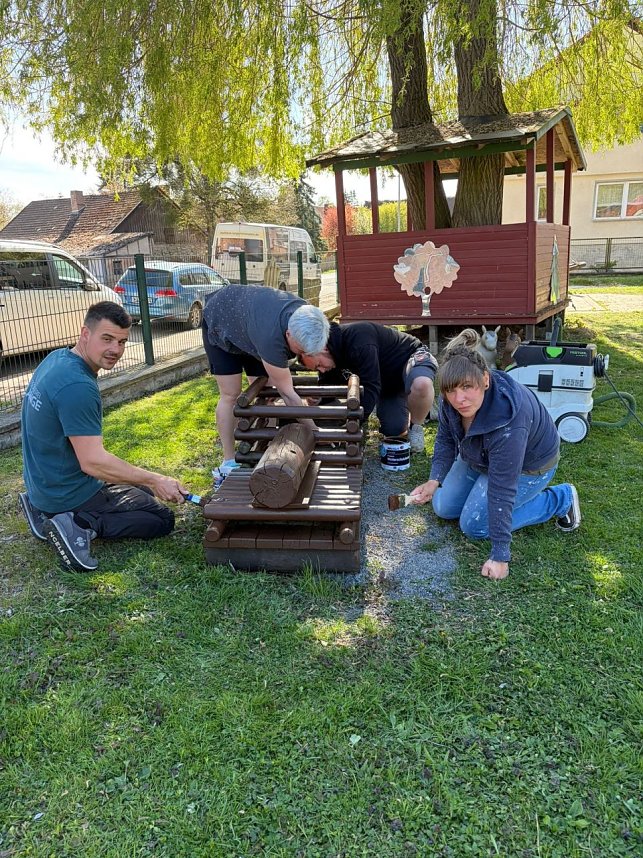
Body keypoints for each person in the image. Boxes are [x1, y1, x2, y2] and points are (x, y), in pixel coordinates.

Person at [20, 301, 187, 572]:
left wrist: (149, 483)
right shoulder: (78, 386)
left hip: (42, 483)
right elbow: (93, 463)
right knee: (161, 519)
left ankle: (42, 509)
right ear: (85, 334)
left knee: (143, 488)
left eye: (121, 342)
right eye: (107, 339)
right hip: (66, 492)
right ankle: (77, 525)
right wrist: (157, 479)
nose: (115, 350)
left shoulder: (57, 359)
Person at [409, 346, 581, 580]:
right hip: (480, 456)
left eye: (467, 387)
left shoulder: (510, 419)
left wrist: (500, 556)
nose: (459, 399)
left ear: (485, 380)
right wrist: (434, 479)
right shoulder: (451, 398)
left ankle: (560, 499)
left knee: (474, 526)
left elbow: (502, 488)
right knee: (443, 507)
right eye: (451, 390)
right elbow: (446, 439)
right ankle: (478, 485)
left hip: (528, 467)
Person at [201, 283, 330, 479]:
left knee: (267, 390)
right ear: (288, 334)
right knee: (231, 393)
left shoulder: (306, 315)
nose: (302, 357)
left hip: (249, 325)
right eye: (301, 351)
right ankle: (228, 461)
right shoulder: (272, 339)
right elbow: (288, 394)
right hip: (220, 318)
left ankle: (268, 446)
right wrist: (316, 432)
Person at [299, 321, 438, 452]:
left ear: (322, 348)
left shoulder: (359, 340)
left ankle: (417, 424)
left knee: (421, 385)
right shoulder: (332, 352)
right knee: (393, 431)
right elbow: (327, 383)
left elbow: (370, 387)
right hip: (387, 385)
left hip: (409, 359)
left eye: (319, 365)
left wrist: (353, 424)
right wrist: (319, 398)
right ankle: (417, 404)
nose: (322, 370)